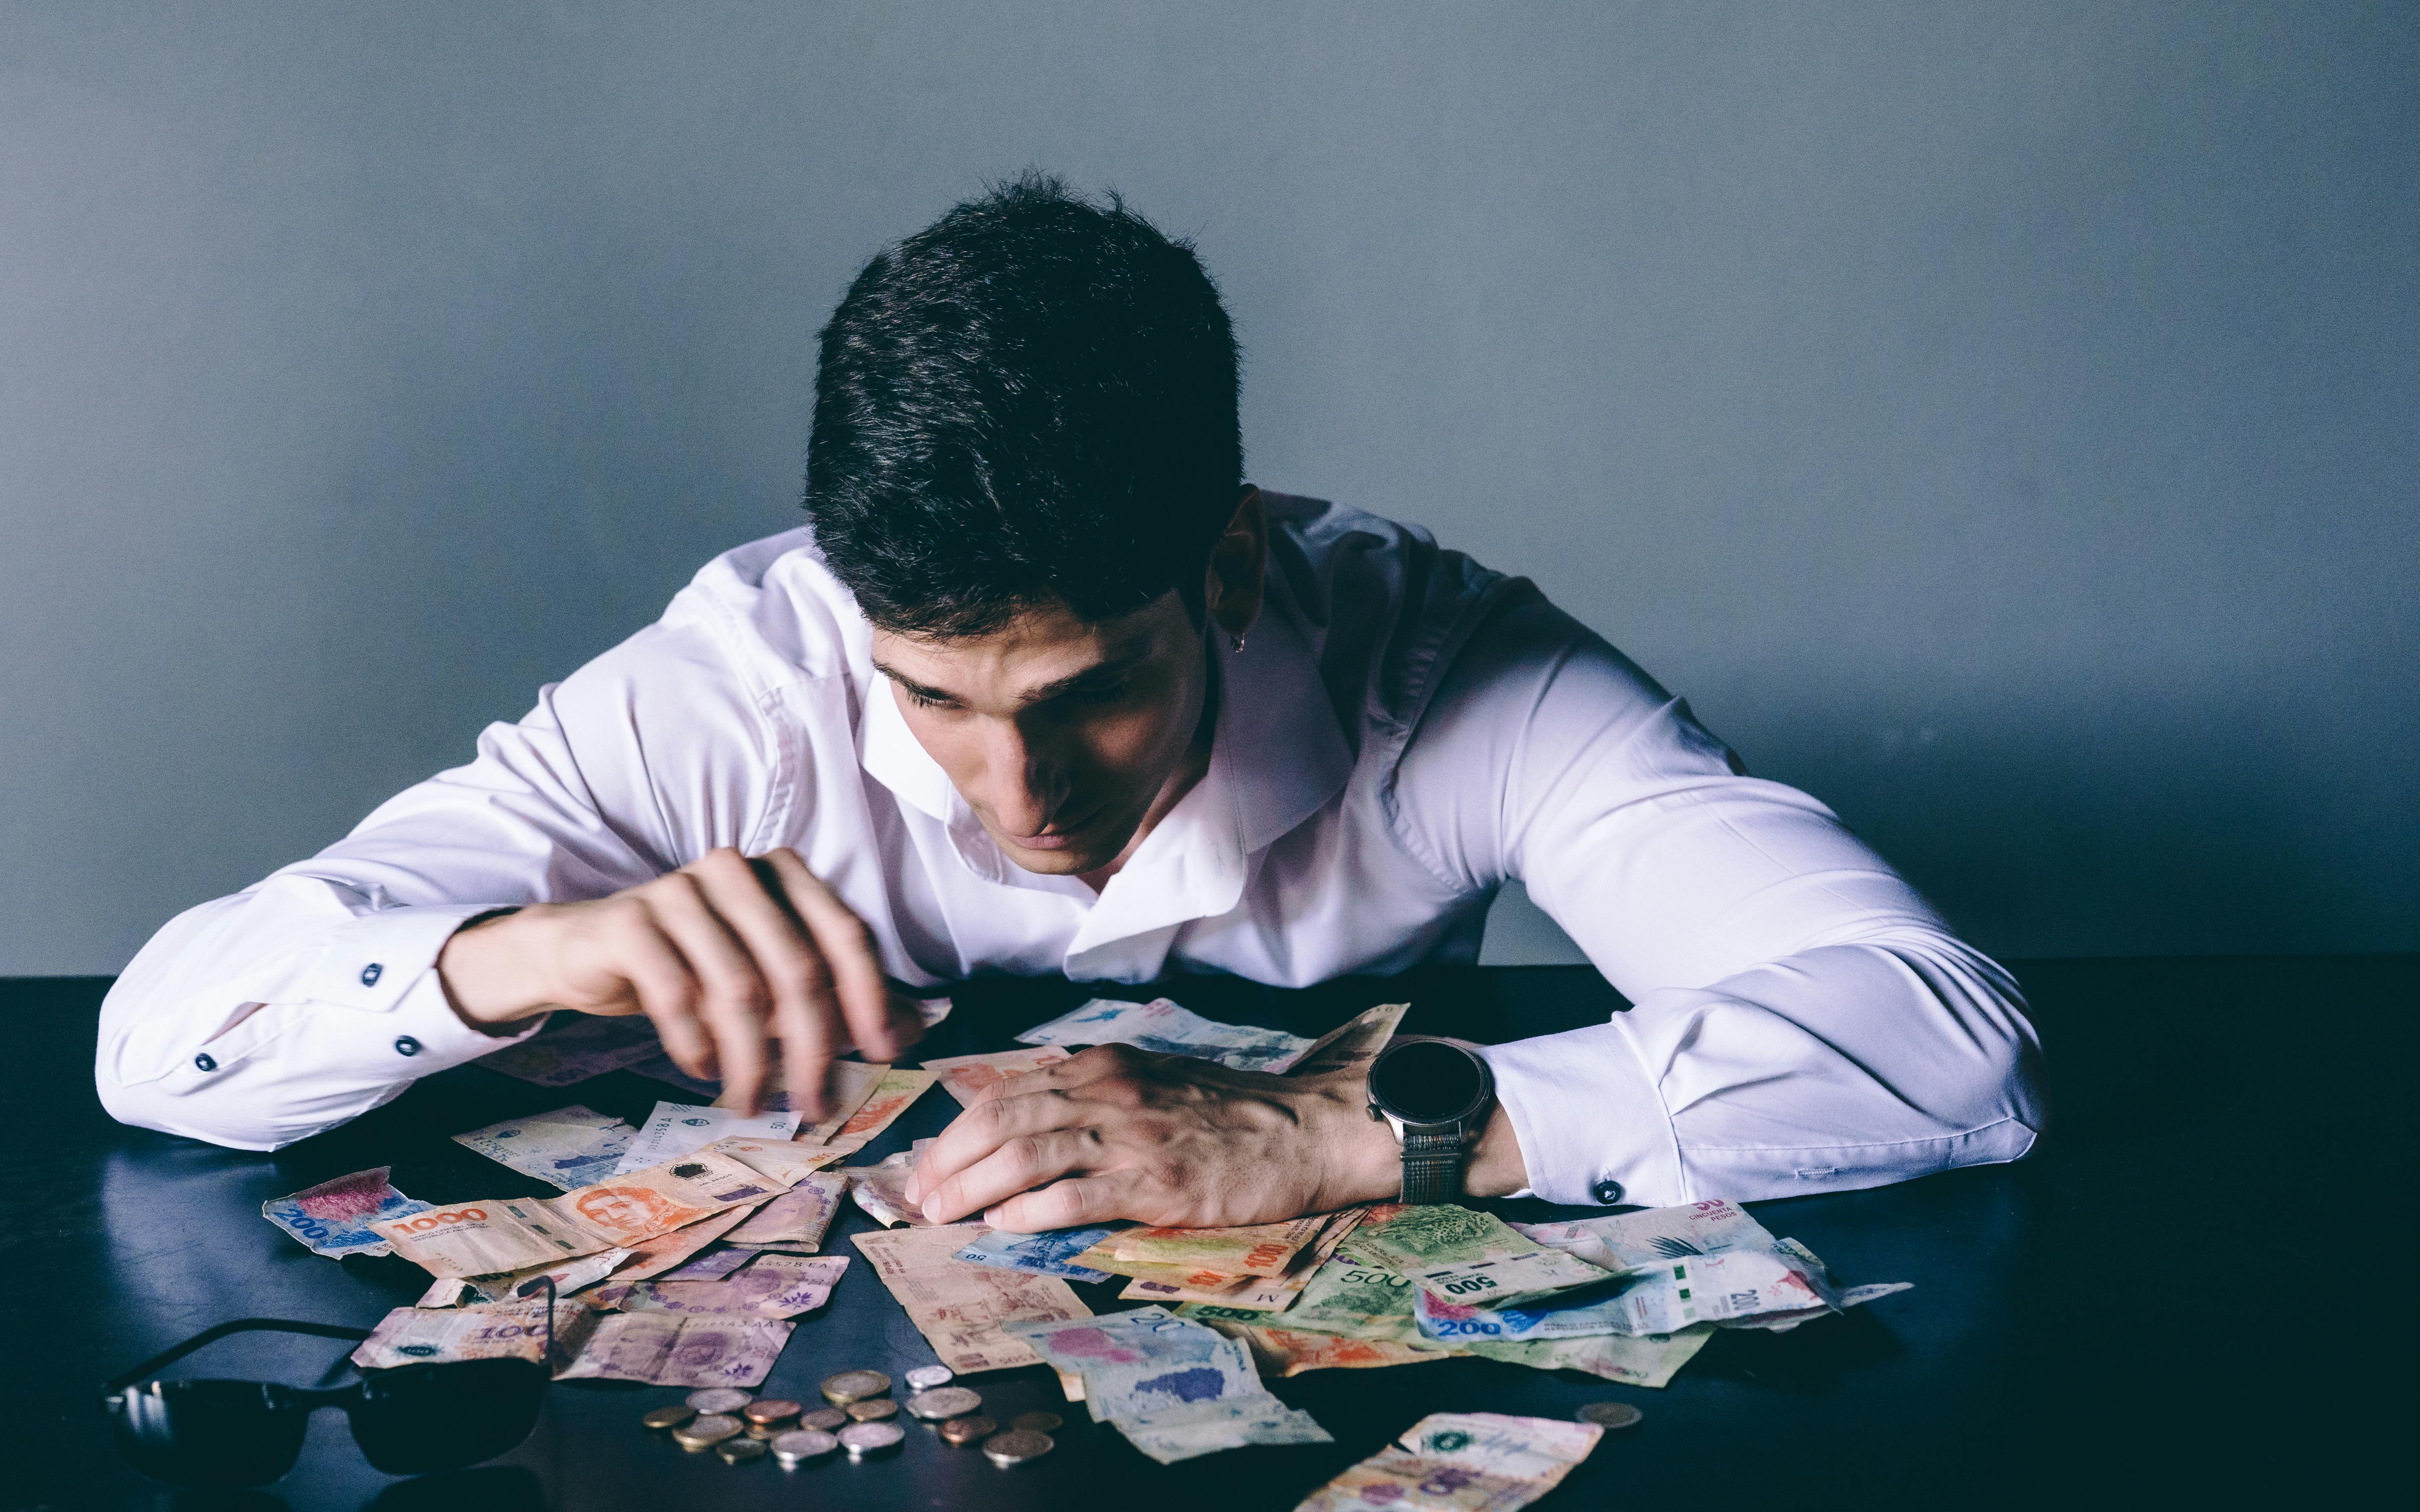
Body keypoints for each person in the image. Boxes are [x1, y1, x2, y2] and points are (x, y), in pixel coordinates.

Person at [95, 176, 2042, 1232]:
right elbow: (155, 1048)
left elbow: (1946, 1044)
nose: (1010, 791)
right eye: (930, 697)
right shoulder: (730, 681)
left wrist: (1345, 1138)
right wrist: (517, 953)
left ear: (1231, 566)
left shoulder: (1454, 670)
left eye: (1086, 694)